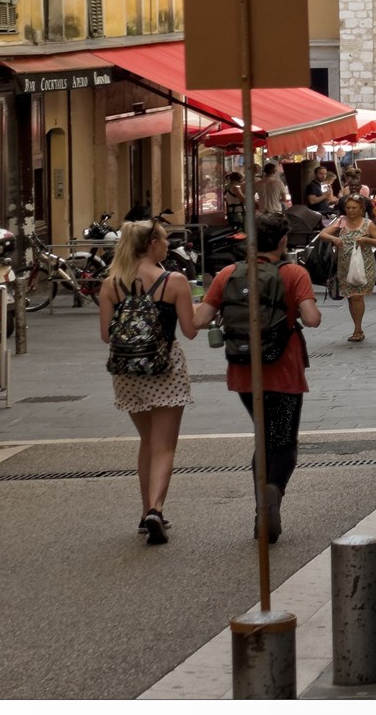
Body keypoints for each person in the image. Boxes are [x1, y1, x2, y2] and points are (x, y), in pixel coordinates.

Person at [195, 211, 321, 542]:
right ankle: (272, 492)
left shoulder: (228, 274)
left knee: (263, 436)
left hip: (244, 372)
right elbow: (312, 318)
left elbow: (199, 320)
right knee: (284, 442)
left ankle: (260, 508)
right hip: (284, 370)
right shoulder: (294, 273)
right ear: (282, 241)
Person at [100, 217, 199, 545]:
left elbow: (105, 335)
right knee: (164, 445)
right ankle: (156, 508)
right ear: (153, 244)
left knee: (147, 442)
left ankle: (145, 513)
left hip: (127, 371)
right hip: (165, 369)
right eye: (164, 239)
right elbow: (189, 329)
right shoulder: (174, 281)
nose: (168, 244)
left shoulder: (112, 283)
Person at [321, 194, 376, 342]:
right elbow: (323, 234)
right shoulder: (341, 222)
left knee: (357, 296)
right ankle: (357, 325)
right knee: (351, 297)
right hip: (344, 265)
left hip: (364, 265)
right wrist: (334, 238)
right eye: (348, 207)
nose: (350, 210)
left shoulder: (368, 224)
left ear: (361, 209)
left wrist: (366, 240)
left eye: (354, 208)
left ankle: (358, 329)